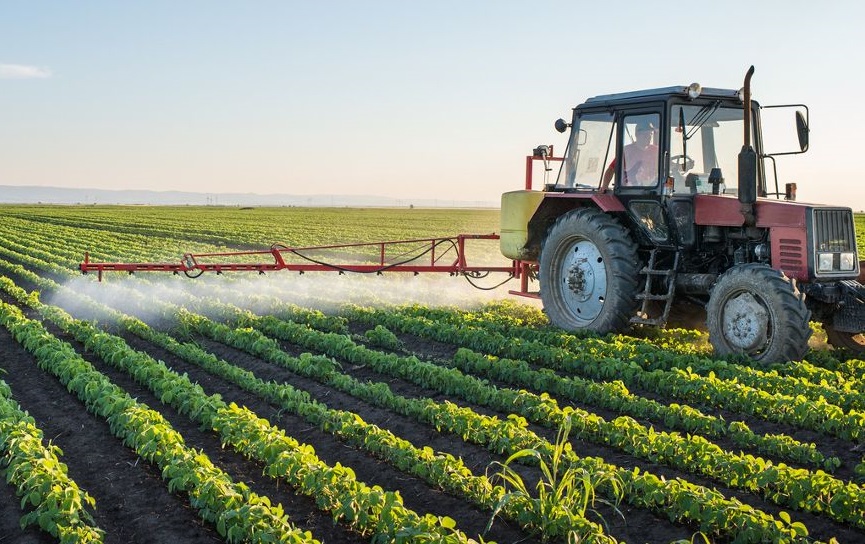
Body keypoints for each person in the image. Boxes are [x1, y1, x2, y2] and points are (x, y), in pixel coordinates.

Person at [600, 119, 659, 192]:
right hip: (630, 191)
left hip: (652, 189)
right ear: (637, 135)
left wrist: (675, 167)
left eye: (651, 134)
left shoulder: (656, 151)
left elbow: (667, 165)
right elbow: (611, 169)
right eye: (645, 134)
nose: (649, 137)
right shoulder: (627, 151)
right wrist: (605, 187)